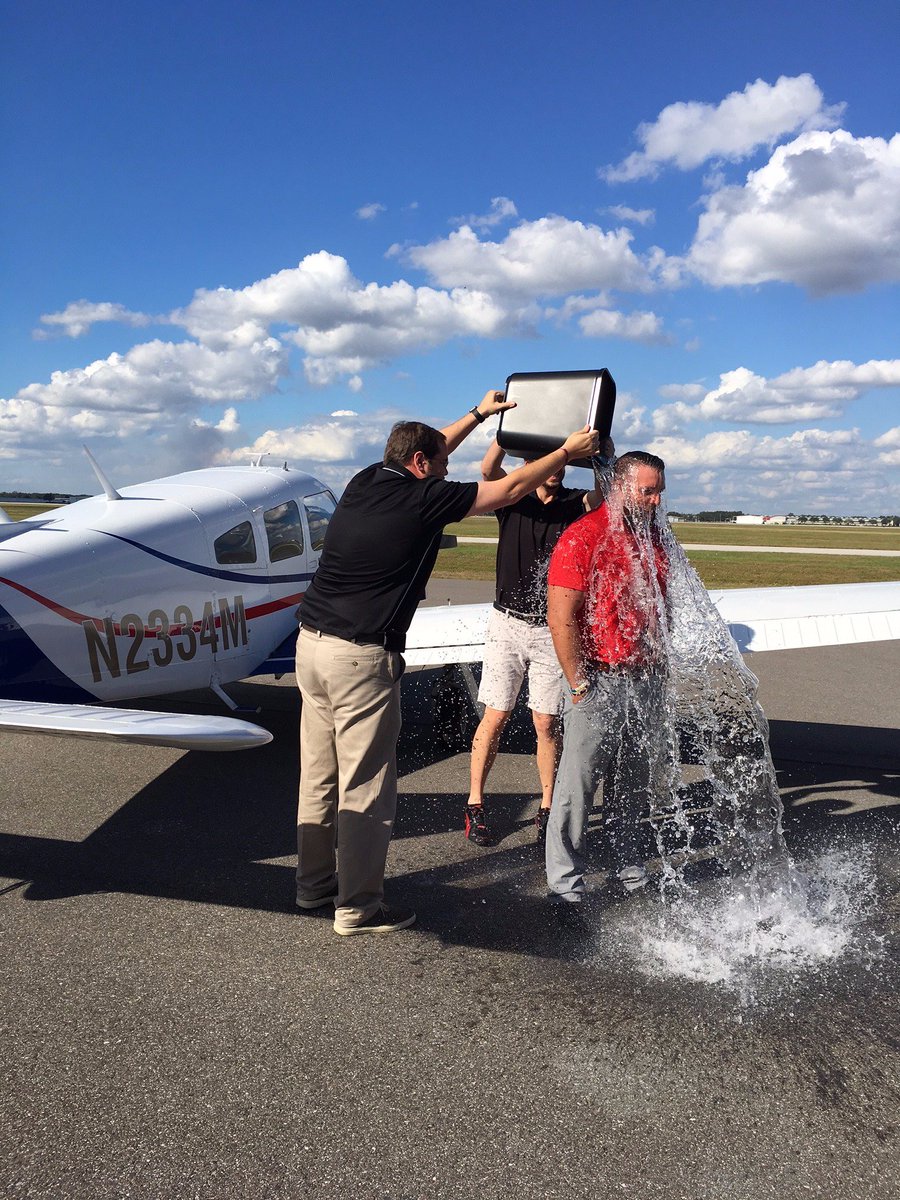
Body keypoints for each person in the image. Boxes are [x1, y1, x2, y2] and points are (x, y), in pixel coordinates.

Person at [295, 390, 600, 936]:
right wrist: (566, 452)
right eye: (439, 465)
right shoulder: (423, 500)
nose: (445, 470)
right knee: (365, 787)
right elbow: (508, 486)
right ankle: (359, 907)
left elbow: (431, 447)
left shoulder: (366, 479)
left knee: (319, 776)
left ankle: (314, 885)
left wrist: (480, 414)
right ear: (419, 467)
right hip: (360, 657)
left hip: (311, 648)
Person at [464, 436, 612, 848]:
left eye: (560, 462)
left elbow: (603, 495)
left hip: (552, 629)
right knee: (496, 714)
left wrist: (603, 454)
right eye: (545, 461)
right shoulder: (513, 498)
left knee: (546, 723)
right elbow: (487, 470)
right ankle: (475, 804)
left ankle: (547, 808)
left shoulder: (575, 503)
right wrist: (504, 431)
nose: (556, 468)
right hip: (506, 624)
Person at [544, 451, 669, 902]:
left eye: (660, 491)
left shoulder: (654, 537)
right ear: (619, 488)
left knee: (633, 781)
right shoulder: (584, 537)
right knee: (579, 784)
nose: (656, 501)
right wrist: (578, 683)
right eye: (647, 491)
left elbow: (660, 607)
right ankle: (566, 883)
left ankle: (628, 866)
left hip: (645, 678)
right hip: (598, 680)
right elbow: (561, 618)